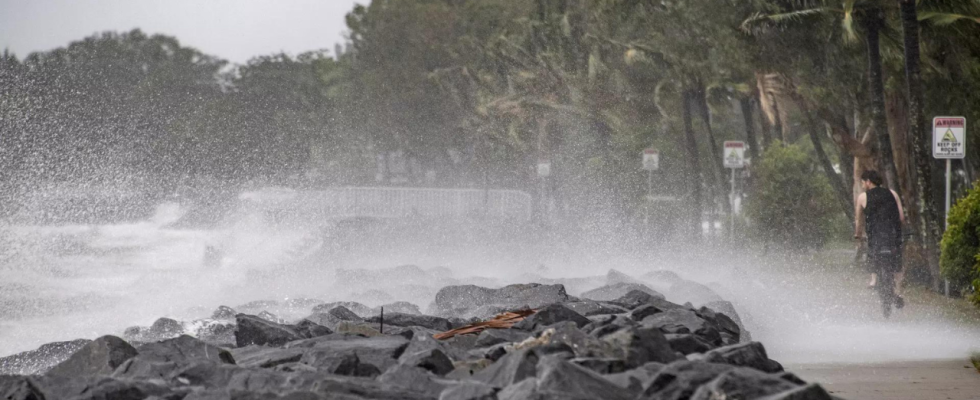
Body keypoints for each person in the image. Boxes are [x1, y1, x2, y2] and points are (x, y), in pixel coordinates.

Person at [853, 170, 905, 307]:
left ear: (868, 182)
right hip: (893, 235)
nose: (863, 185)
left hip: (875, 236)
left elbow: (859, 220)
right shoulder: (892, 193)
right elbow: (901, 217)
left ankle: (874, 280)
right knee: (897, 261)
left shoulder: (863, 197)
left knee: (872, 253)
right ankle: (899, 291)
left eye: (863, 182)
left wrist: (858, 235)